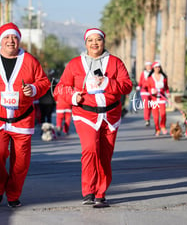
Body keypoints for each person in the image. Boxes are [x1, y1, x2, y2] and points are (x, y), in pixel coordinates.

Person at [0, 22, 50, 208]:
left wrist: (33, 88)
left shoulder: (30, 60)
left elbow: (44, 82)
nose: (11, 41)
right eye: (6, 37)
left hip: (23, 119)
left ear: (19, 40)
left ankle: (13, 194)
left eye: (14, 37)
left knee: (20, 163)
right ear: (0, 40)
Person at [54, 28, 132, 208]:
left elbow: (127, 86)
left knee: (105, 155)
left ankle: (100, 193)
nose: (94, 43)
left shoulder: (115, 62)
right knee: (90, 149)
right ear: (85, 43)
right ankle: (88, 190)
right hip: (85, 113)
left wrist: (108, 83)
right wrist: (74, 96)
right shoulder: (74, 64)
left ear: (104, 42)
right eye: (90, 40)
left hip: (110, 115)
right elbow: (60, 89)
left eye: (98, 40)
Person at [147, 61, 170, 136]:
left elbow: (166, 87)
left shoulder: (164, 77)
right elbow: (148, 88)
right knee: (156, 116)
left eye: (159, 67)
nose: (158, 68)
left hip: (162, 98)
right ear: (153, 68)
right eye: (156, 67)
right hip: (154, 99)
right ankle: (157, 129)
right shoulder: (150, 78)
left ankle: (163, 126)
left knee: (163, 114)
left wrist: (168, 93)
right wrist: (151, 91)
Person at [137, 61, 153, 126]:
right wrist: (139, 86)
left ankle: (149, 118)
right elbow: (140, 81)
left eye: (150, 66)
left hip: (151, 92)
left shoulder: (153, 74)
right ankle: (146, 119)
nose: (149, 67)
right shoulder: (143, 73)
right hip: (144, 91)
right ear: (146, 67)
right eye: (147, 66)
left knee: (151, 106)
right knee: (146, 105)